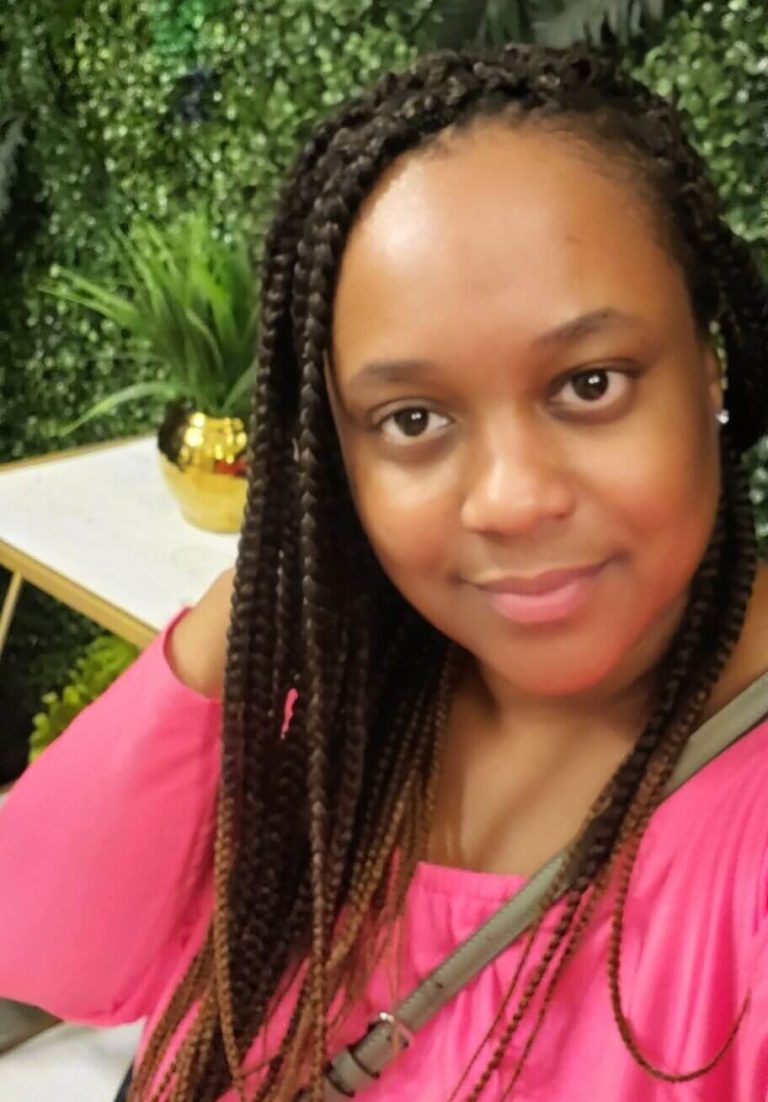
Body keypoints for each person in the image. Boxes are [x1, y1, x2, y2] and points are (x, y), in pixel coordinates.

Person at [0, 42, 766, 1102]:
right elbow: (40, 942)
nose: (510, 498)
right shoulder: (335, 703)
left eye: (591, 383)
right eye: (411, 419)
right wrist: (254, 605)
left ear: (710, 366)